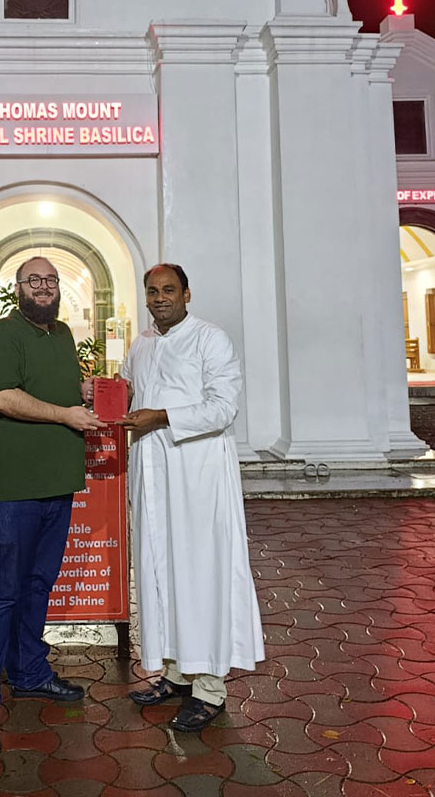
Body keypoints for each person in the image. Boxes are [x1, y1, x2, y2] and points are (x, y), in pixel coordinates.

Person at [0, 255, 107, 758]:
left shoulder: (63, 335)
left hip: (56, 486)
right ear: (17, 288)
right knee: (0, 593)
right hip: (12, 491)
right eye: (33, 280)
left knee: (37, 585)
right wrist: (66, 413)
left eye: (50, 280)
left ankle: (29, 673)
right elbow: (2, 397)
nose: (43, 287)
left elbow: (53, 391)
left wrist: (81, 391)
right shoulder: (2, 334)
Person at [116, 263, 265, 732]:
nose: (159, 298)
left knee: (201, 572)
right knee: (161, 570)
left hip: (198, 474)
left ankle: (210, 688)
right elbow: (124, 391)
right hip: (152, 473)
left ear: (186, 294)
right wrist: (98, 393)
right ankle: (177, 673)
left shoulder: (210, 338)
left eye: (168, 290)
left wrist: (159, 417)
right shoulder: (140, 344)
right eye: (152, 291)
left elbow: (223, 407)